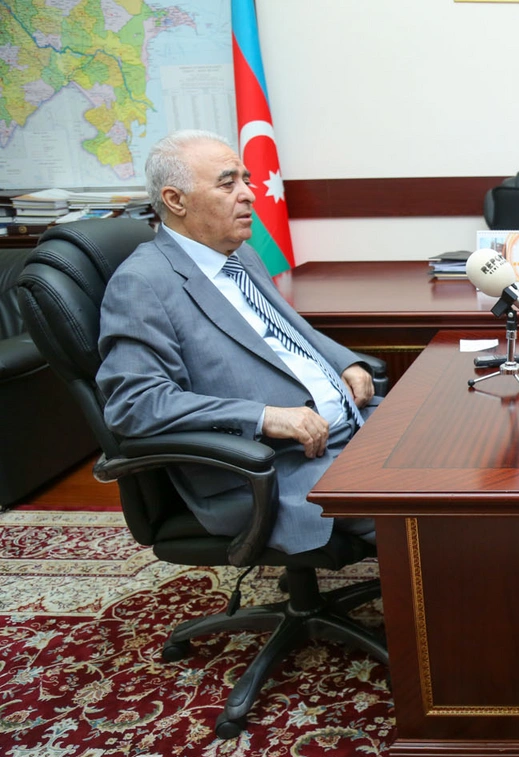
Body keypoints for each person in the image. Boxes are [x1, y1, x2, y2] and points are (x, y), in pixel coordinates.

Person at [97, 129, 377, 554]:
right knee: (432, 508)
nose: (249, 194)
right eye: (228, 184)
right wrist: (263, 417)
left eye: (246, 180)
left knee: (450, 450)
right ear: (175, 200)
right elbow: (135, 405)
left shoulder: (238, 253)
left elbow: (289, 330)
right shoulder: (142, 283)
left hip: (347, 427)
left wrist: (344, 363)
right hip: (275, 469)